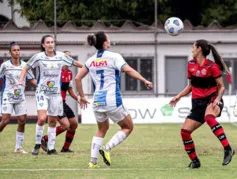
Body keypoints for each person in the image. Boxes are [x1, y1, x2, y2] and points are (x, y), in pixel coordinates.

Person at [75, 31, 152, 168]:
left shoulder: (90, 60)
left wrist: (81, 96)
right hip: (112, 99)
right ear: (105, 43)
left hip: (97, 100)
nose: (109, 41)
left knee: (102, 129)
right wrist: (144, 80)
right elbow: (128, 70)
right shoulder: (114, 57)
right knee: (128, 127)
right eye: (108, 39)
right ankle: (107, 148)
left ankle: (92, 162)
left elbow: (77, 78)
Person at [169, 39, 235, 169]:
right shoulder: (190, 65)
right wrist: (178, 96)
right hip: (197, 103)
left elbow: (221, 87)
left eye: (193, 47)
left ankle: (228, 149)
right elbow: (190, 86)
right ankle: (195, 161)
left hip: (212, 99)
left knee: (209, 118)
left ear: (199, 49)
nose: (192, 49)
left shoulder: (212, 67)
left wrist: (218, 99)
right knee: (185, 132)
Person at [18, 35, 83, 155]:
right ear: (43, 45)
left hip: (55, 94)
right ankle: (37, 144)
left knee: (53, 121)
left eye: (52, 42)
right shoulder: (39, 57)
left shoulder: (61, 56)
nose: (50, 44)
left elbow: (74, 62)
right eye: (47, 42)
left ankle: (51, 148)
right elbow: (25, 68)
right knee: (42, 118)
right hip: (42, 92)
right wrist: (21, 79)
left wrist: (86, 67)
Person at [0, 42, 36, 153]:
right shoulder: (5, 65)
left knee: (22, 120)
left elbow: (32, 79)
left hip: (20, 97)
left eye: (18, 50)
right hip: (7, 96)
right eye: (14, 50)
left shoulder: (25, 66)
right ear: (10, 52)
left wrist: (41, 86)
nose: (17, 52)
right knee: (5, 120)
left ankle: (18, 147)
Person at [41, 51, 79, 153]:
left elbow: (70, 90)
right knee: (66, 125)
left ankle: (65, 148)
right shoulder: (57, 71)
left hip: (63, 102)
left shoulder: (70, 73)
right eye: (66, 56)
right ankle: (44, 139)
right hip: (55, 101)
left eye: (70, 57)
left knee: (74, 124)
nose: (68, 59)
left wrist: (79, 99)